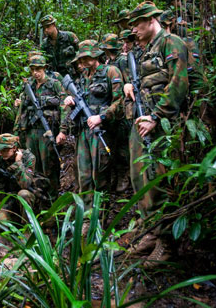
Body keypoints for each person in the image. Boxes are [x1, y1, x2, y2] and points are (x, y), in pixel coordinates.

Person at [123, 1, 189, 217]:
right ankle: (150, 227)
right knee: (139, 175)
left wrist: (156, 116)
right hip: (142, 120)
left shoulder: (171, 42)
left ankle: (164, 237)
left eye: (137, 24)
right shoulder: (147, 51)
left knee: (158, 177)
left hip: (161, 123)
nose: (133, 29)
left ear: (151, 20)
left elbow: (179, 83)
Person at [58, 40, 123, 207]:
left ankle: (101, 215)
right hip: (83, 132)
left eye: (86, 58)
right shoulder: (82, 78)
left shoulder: (111, 72)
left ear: (95, 55)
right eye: (81, 59)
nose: (83, 62)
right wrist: (71, 101)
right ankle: (87, 215)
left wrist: (101, 117)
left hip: (101, 131)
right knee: (84, 175)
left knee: (100, 173)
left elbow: (120, 102)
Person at [13, 55, 65, 199]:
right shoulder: (28, 84)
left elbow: (63, 105)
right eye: (33, 69)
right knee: (33, 164)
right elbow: (22, 108)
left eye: (39, 69)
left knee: (49, 165)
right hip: (30, 130)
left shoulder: (54, 84)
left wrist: (63, 130)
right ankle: (37, 196)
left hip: (47, 130)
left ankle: (52, 199)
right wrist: (17, 129)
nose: (36, 72)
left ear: (45, 68)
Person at [99, 33, 130, 193]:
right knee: (111, 146)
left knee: (122, 146)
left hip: (121, 108)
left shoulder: (122, 61)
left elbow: (128, 83)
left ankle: (124, 175)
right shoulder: (108, 62)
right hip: (110, 107)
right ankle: (114, 178)